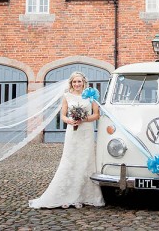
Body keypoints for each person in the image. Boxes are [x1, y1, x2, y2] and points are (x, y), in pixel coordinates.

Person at [29, 71, 105, 209]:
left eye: (79, 81)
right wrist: (70, 121)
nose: (77, 84)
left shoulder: (91, 96)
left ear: (84, 82)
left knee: (85, 161)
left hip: (86, 132)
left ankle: (84, 196)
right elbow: (63, 116)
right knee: (70, 160)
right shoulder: (67, 96)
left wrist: (83, 119)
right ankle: (66, 195)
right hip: (72, 131)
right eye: (74, 82)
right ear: (71, 83)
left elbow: (96, 115)